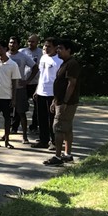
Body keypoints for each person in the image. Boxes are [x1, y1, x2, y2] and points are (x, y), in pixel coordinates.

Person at [44, 38, 81, 166]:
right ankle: (67, 155)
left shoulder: (72, 64)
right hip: (61, 101)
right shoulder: (65, 63)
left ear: (68, 50)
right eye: (57, 48)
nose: (58, 50)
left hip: (67, 102)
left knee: (58, 128)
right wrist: (55, 101)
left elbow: (71, 84)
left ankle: (58, 156)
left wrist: (64, 101)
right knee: (67, 128)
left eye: (60, 48)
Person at [31, 37, 62, 149]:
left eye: (49, 46)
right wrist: (37, 90)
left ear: (55, 48)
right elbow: (41, 75)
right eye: (45, 46)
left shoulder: (59, 60)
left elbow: (60, 80)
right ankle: (43, 140)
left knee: (52, 119)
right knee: (41, 118)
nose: (46, 48)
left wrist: (56, 97)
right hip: (41, 92)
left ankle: (54, 141)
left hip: (52, 93)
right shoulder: (43, 57)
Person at [6, 35, 35, 143]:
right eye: (10, 42)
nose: (12, 45)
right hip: (6, 89)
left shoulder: (23, 56)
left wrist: (27, 81)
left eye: (14, 43)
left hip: (19, 88)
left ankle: (24, 137)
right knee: (6, 114)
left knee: (21, 113)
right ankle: (6, 135)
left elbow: (35, 67)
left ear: (18, 45)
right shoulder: (4, 55)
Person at [19, 34, 43, 132]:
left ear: (37, 42)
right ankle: (15, 125)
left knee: (37, 106)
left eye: (33, 41)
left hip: (36, 83)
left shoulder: (41, 52)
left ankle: (34, 126)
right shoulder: (22, 51)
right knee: (20, 105)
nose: (30, 43)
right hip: (23, 83)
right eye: (29, 41)